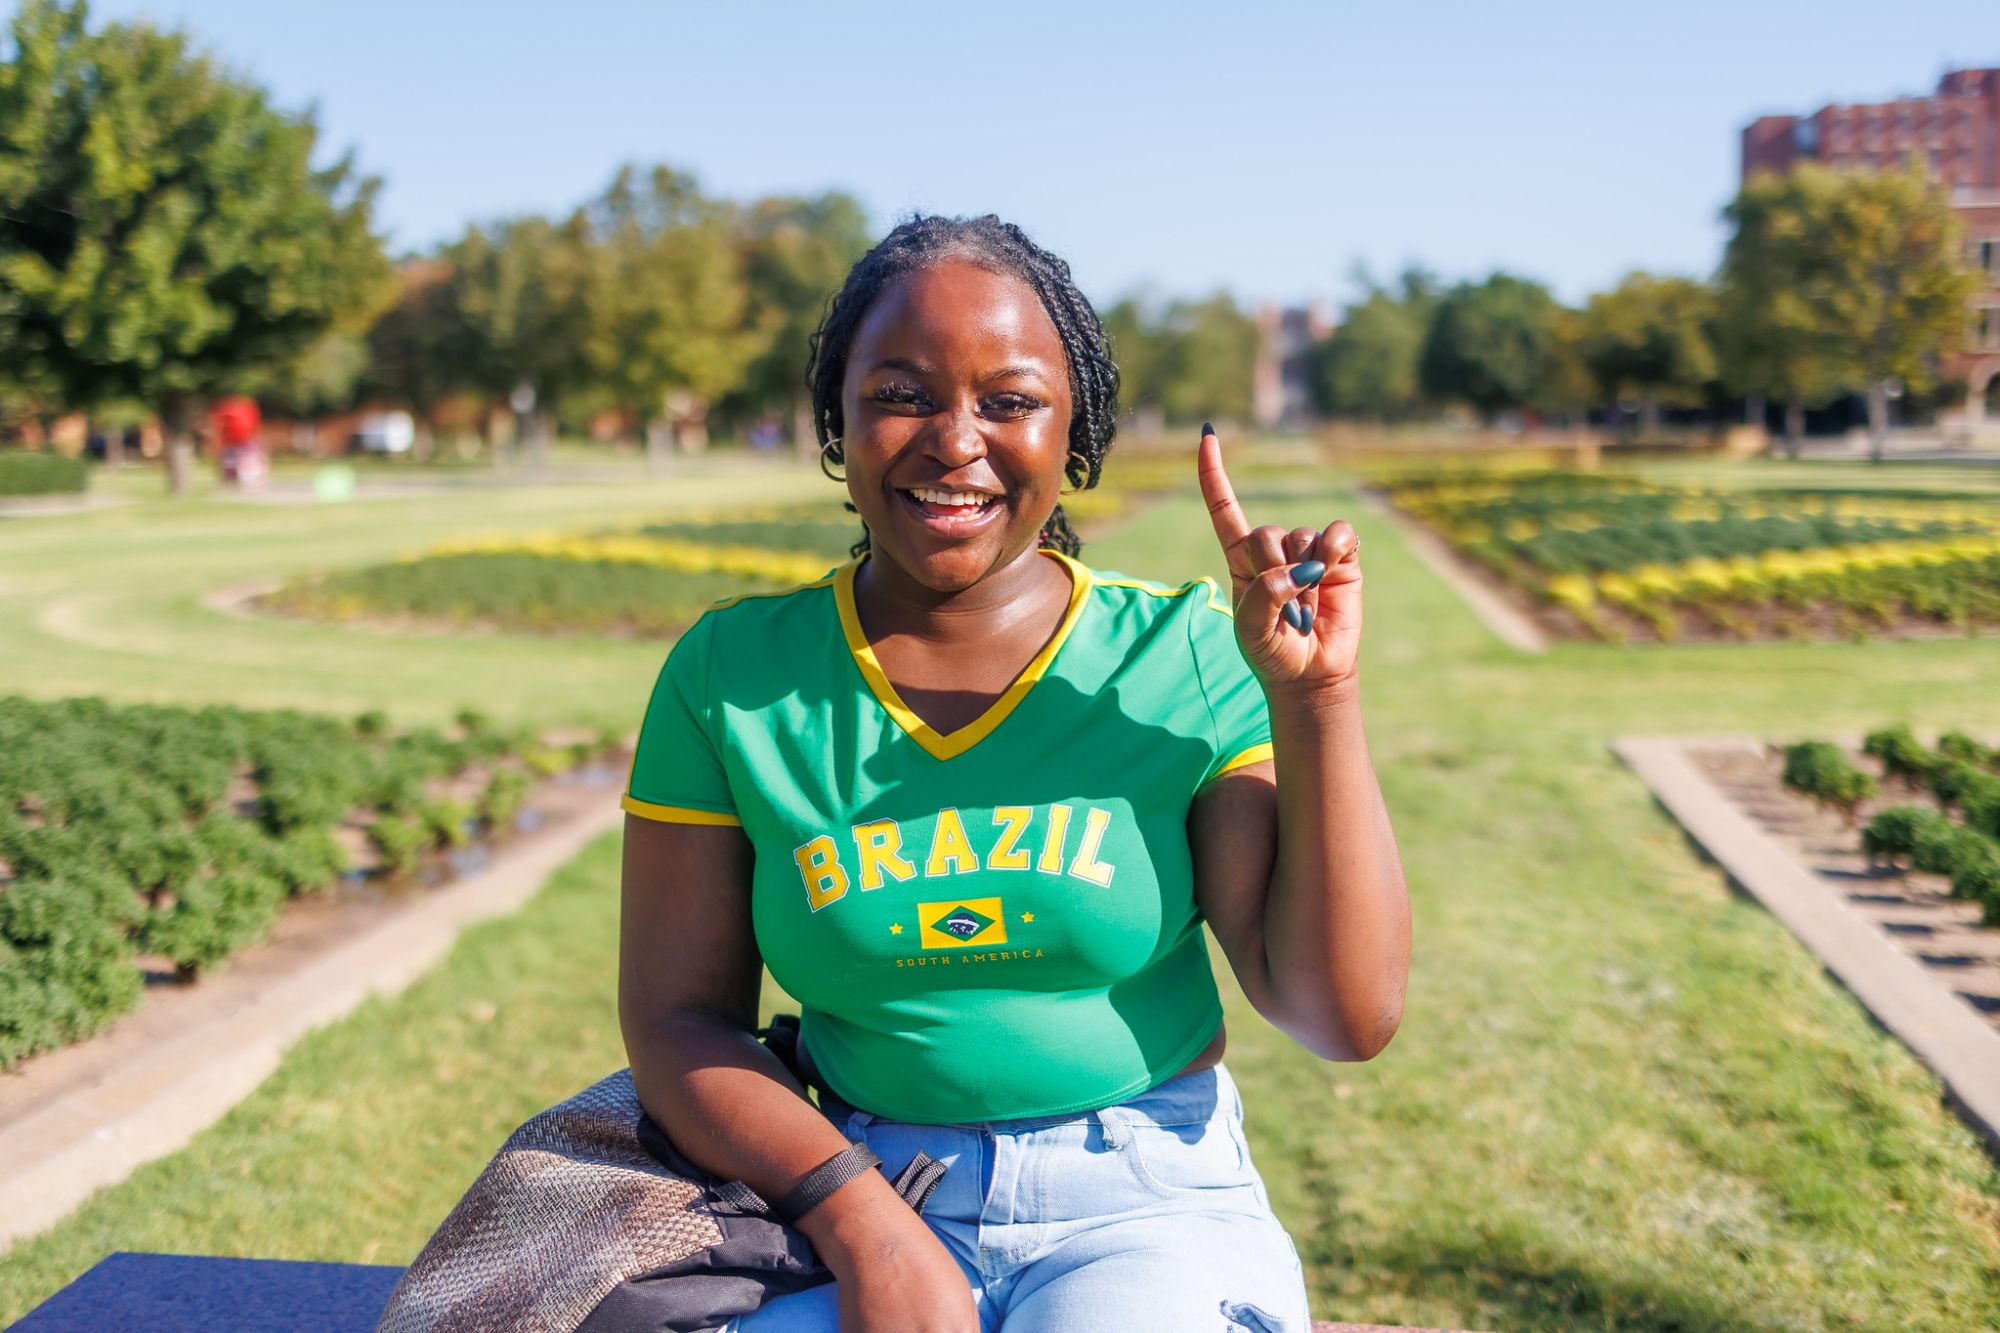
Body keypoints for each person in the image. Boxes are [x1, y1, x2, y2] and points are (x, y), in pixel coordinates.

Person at [619, 215, 1410, 1333]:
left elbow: (1342, 1013)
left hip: (1141, 1207)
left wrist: (1313, 698)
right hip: (849, 1182)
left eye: (1008, 399)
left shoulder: (1176, 656)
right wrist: (863, 1222)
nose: (953, 440)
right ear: (834, 420)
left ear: (1070, 428)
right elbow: (678, 1019)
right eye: (900, 392)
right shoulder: (732, 675)